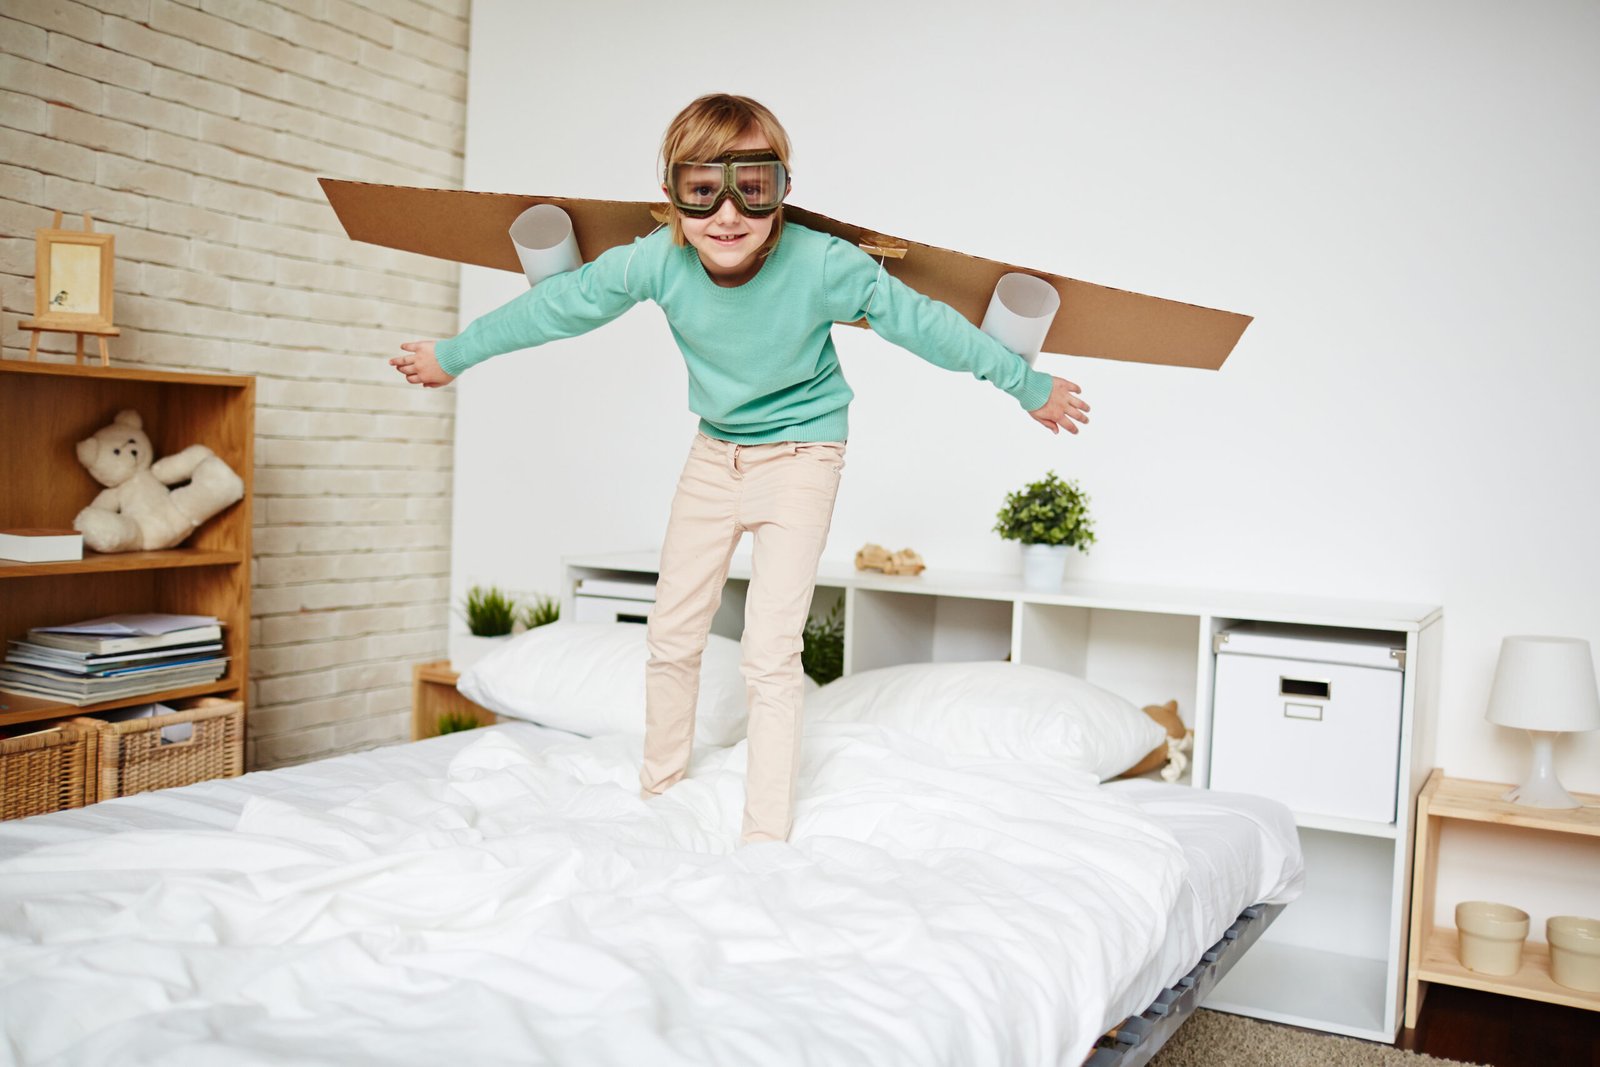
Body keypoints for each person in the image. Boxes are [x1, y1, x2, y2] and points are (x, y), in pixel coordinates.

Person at [392, 93, 1090, 845]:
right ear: (672, 195)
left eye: (751, 188)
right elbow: (556, 307)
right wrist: (453, 354)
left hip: (803, 456)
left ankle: (765, 834)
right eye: (703, 190)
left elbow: (930, 328)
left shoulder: (826, 265)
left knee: (769, 650)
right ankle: (660, 795)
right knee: (671, 633)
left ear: (782, 189)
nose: (727, 214)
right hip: (713, 454)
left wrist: (1028, 385)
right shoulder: (657, 260)